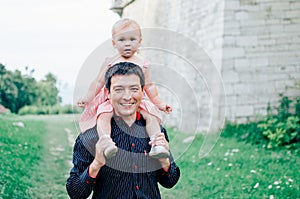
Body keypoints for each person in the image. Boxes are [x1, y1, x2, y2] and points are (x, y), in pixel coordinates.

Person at [67, 62, 180, 199]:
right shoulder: (90, 137)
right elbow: (75, 192)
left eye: (134, 89)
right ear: (108, 93)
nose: (127, 97)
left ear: (142, 92)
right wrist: (97, 163)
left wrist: (165, 161)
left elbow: (170, 181)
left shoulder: (155, 132)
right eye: (119, 89)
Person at [77, 18, 172, 159]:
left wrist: (159, 104)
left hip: (137, 100)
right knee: (103, 115)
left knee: (151, 115)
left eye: (132, 39)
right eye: (122, 40)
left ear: (140, 41)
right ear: (113, 43)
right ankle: (106, 143)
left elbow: (149, 86)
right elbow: (98, 82)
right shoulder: (110, 63)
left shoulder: (142, 64)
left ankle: (156, 144)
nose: (127, 44)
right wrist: (87, 97)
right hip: (112, 100)